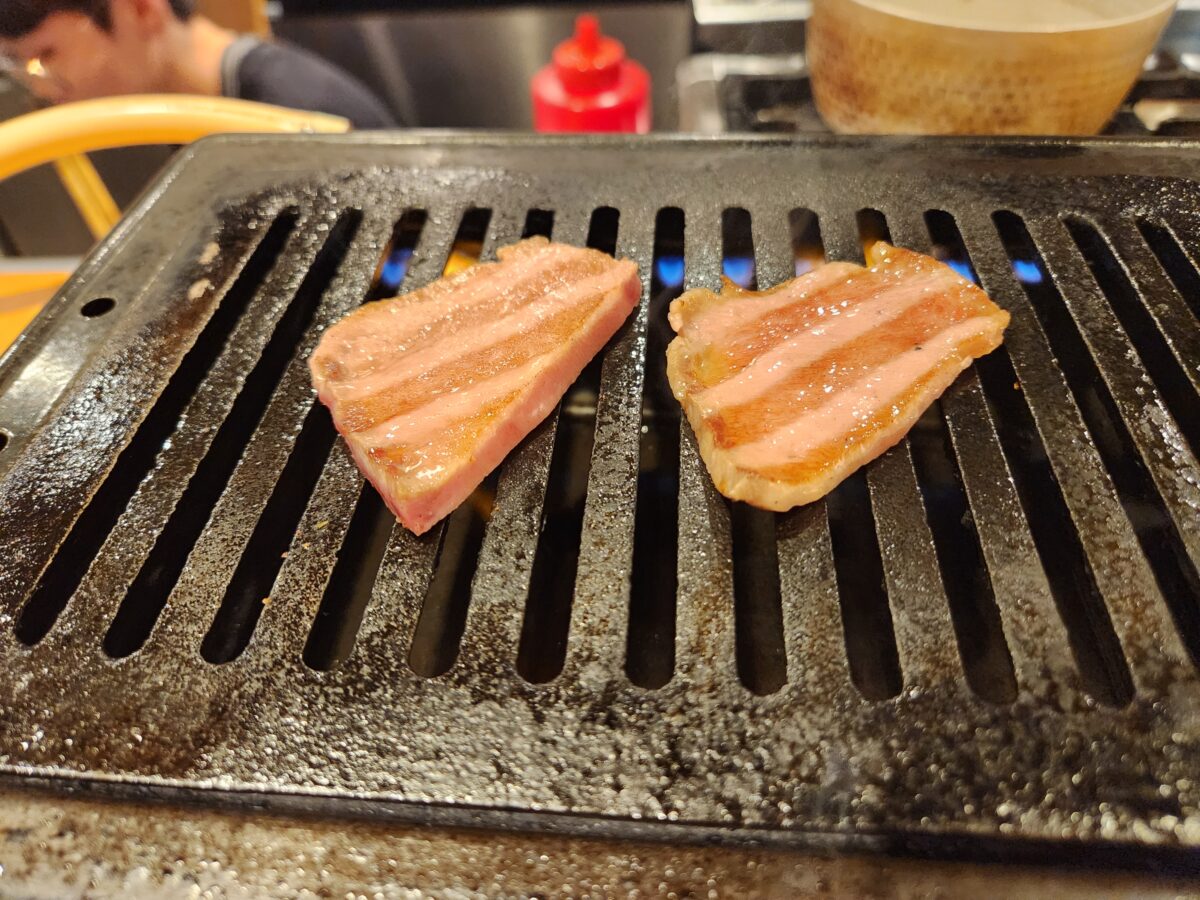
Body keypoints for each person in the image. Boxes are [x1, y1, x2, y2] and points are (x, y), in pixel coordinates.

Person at [0, 0, 397, 128]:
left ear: (141, 11)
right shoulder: (195, 113)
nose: (40, 85)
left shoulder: (297, 111)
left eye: (46, 56)